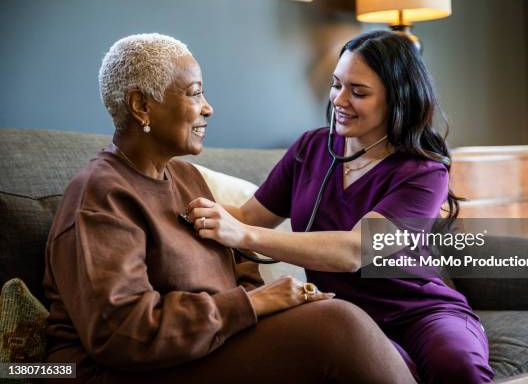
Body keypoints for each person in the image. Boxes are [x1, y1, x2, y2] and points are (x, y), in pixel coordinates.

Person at [43, 33, 415, 383]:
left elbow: (240, 269)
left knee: (337, 322)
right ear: (142, 106)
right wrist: (251, 304)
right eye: (194, 93)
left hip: (212, 342)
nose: (207, 108)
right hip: (128, 369)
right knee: (339, 327)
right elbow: (124, 333)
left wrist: (274, 302)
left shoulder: (186, 177)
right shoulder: (100, 194)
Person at [187, 30, 495, 384]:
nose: (339, 100)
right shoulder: (311, 149)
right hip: (345, 316)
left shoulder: (424, 173)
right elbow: (248, 215)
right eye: (336, 85)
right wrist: (171, 204)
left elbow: (357, 249)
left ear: (398, 98)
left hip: (421, 312)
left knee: (459, 368)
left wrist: (245, 234)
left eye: (358, 91)